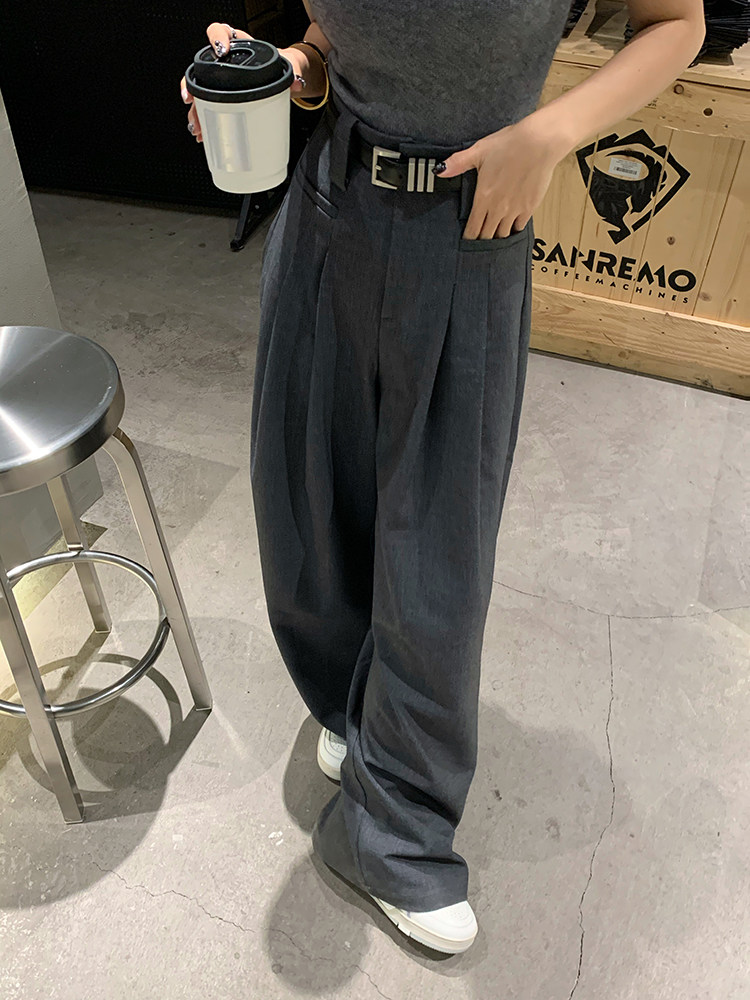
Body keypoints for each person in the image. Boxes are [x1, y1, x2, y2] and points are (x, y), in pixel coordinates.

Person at [182, 0, 705, 955]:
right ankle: (350, 708)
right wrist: (294, 64)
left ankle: (399, 833)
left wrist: (550, 134)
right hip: (331, 201)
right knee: (306, 502)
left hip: (472, 221)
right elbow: (351, 29)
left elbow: (678, 22)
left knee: (436, 547)